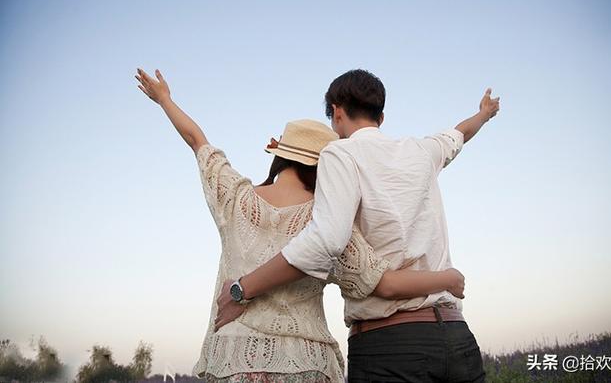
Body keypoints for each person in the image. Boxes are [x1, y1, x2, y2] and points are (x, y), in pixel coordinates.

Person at [134, 67, 467, 383]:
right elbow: (385, 285)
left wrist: (164, 99)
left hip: (235, 358)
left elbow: (197, 140)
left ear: (279, 156)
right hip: (310, 362)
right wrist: (446, 279)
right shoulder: (329, 220)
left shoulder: (234, 198)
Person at [215, 69, 500, 382]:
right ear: (381, 116)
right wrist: (483, 114)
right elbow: (458, 135)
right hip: (456, 337)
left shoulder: (340, 152)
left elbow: (326, 241)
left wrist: (243, 289)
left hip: (390, 347)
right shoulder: (423, 150)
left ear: (337, 112)